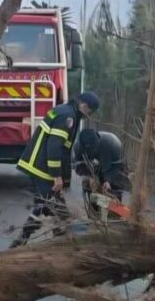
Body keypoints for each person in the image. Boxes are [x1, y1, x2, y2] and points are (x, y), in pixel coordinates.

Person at [10, 92, 101, 247]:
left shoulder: (66, 111)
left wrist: (65, 179)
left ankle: (27, 240)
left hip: (39, 165)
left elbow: (65, 151)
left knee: (46, 204)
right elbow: (55, 146)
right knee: (56, 207)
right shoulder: (68, 118)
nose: (88, 116)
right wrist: (56, 176)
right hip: (41, 168)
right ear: (85, 106)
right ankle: (56, 242)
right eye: (90, 112)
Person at [74, 129, 130, 201]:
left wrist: (108, 181)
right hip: (100, 161)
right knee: (89, 184)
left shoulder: (112, 145)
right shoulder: (78, 147)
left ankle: (115, 205)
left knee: (115, 184)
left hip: (114, 161)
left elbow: (115, 168)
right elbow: (78, 167)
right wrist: (89, 177)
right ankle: (94, 205)